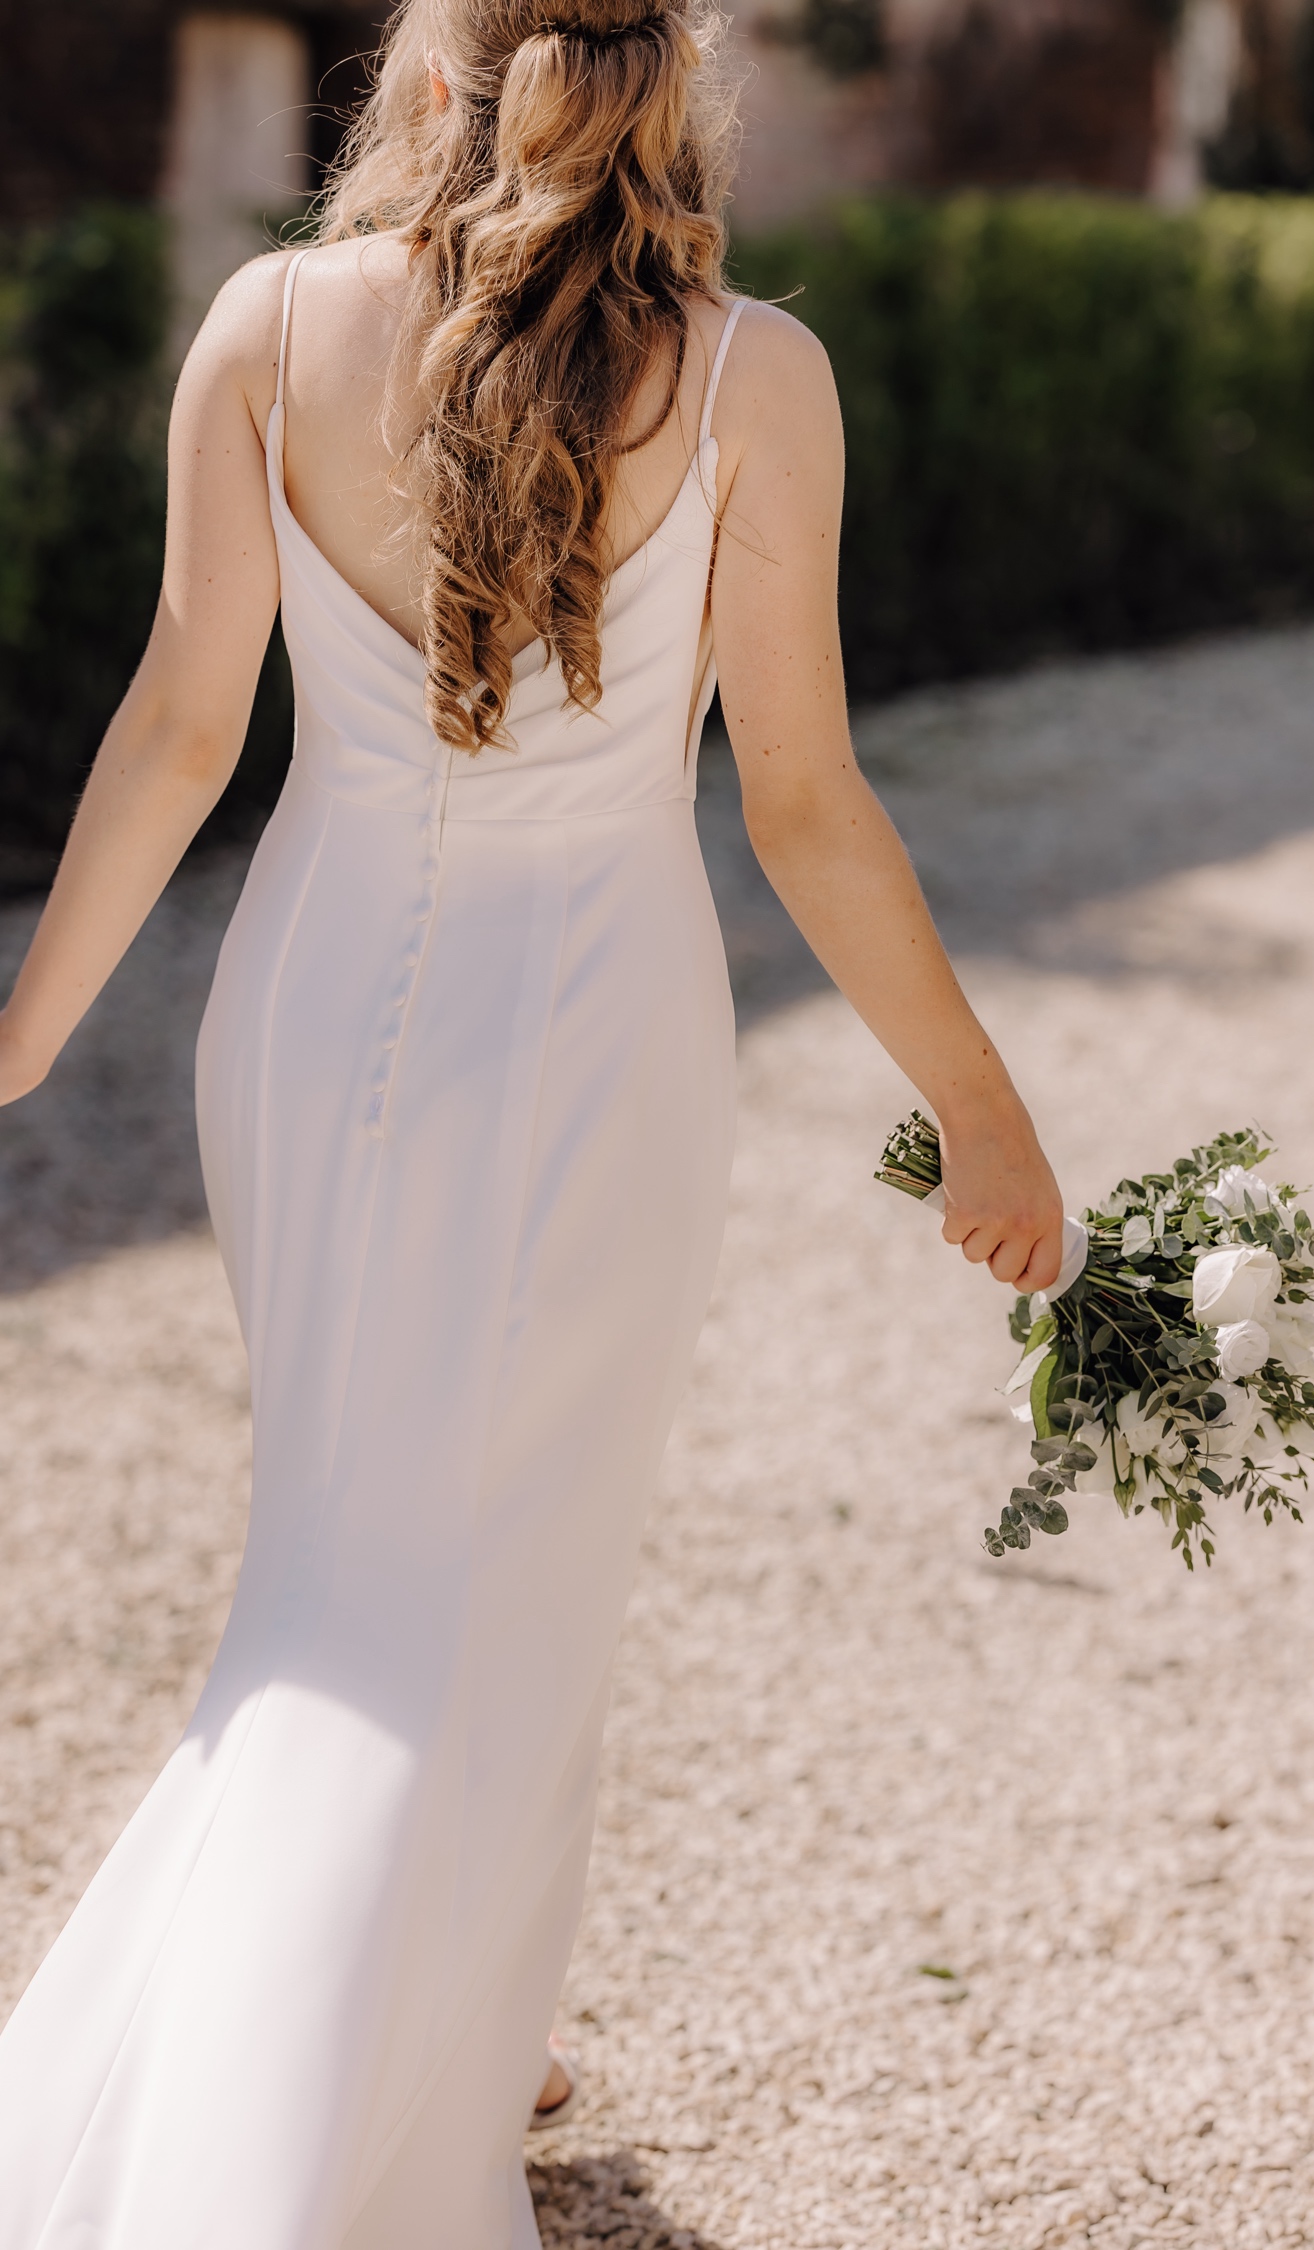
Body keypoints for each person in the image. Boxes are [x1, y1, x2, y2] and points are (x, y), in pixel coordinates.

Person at [0, 0, 1062, 2237]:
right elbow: (800, 798)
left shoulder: (266, 325)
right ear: (675, 82)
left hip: (307, 1022)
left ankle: (441, 2038)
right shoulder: (760, 377)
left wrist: (13, 1043)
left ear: (414, 73)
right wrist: (981, 1108)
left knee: (341, 1559)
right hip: (600, 1038)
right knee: (494, 1586)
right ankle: (290, 2142)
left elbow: (182, 727)